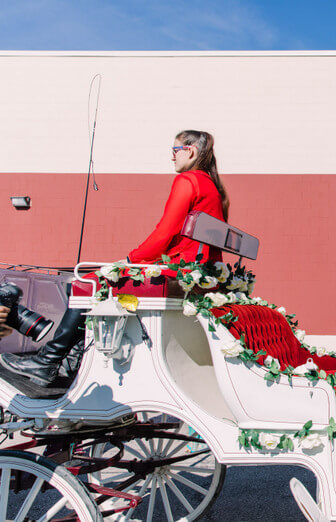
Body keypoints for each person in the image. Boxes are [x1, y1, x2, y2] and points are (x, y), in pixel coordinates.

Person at [0, 130, 228, 387]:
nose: (171, 156)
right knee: (84, 283)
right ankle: (70, 360)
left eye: (175, 150)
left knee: (87, 282)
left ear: (191, 151)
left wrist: (128, 260)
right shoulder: (211, 186)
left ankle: (48, 361)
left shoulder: (189, 181)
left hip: (176, 273)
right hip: (191, 274)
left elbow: (164, 233)